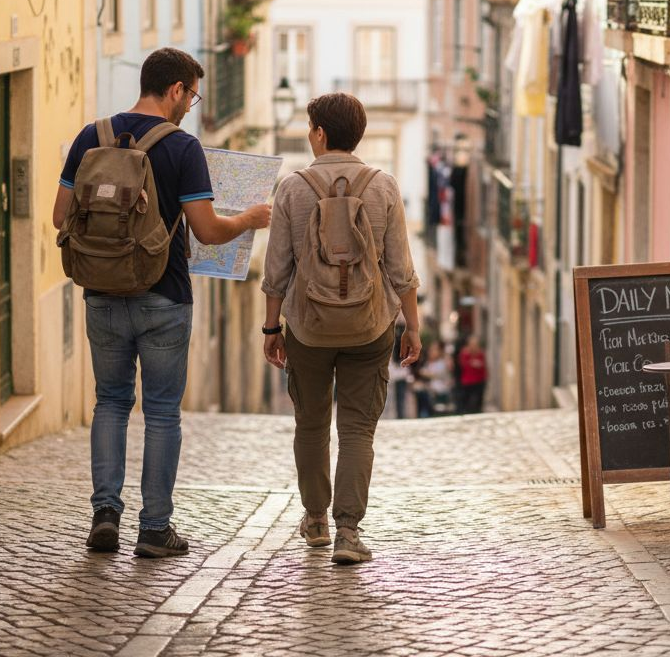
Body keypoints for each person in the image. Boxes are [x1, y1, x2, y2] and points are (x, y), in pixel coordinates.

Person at [52, 48, 271, 558]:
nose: (190, 105)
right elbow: (208, 229)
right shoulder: (183, 148)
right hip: (164, 296)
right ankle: (154, 529)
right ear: (174, 89)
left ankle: (104, 515)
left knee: (109, 403)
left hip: (101, 294)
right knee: (162, 412)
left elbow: (61, 216)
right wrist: (248, 220)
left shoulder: (93, 136)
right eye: (191, 95)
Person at [261, 92, 422, 565]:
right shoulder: (383, 186)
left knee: (310, 424)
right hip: (370, 328)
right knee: (357, 429)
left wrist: (272, 329)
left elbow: (277, 269)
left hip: (307, 329)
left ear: (319, 133)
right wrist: (411, 326)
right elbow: (401, 268)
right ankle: (348, 533)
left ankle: (315, 520)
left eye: (311, 127)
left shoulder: (292, 188)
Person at [419, 342, 454, 415]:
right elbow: (422, 372)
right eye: (430, 350)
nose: (431, 352)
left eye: (434, 350)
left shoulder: (443, 362)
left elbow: (439, 374)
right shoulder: (428, 363)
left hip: (442, 393)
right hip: (432, 393)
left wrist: (427, 374)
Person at [456, 334, 487, 415]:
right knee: (467, 401)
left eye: (475, 344)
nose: (474, 346)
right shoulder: (465, 353)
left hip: (479, 380)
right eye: (472, 344)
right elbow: (463, 364)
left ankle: (477, 413)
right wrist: (473, 363)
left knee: (478, 401)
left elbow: (483, 365)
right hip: (467, 381)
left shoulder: (480, 353)